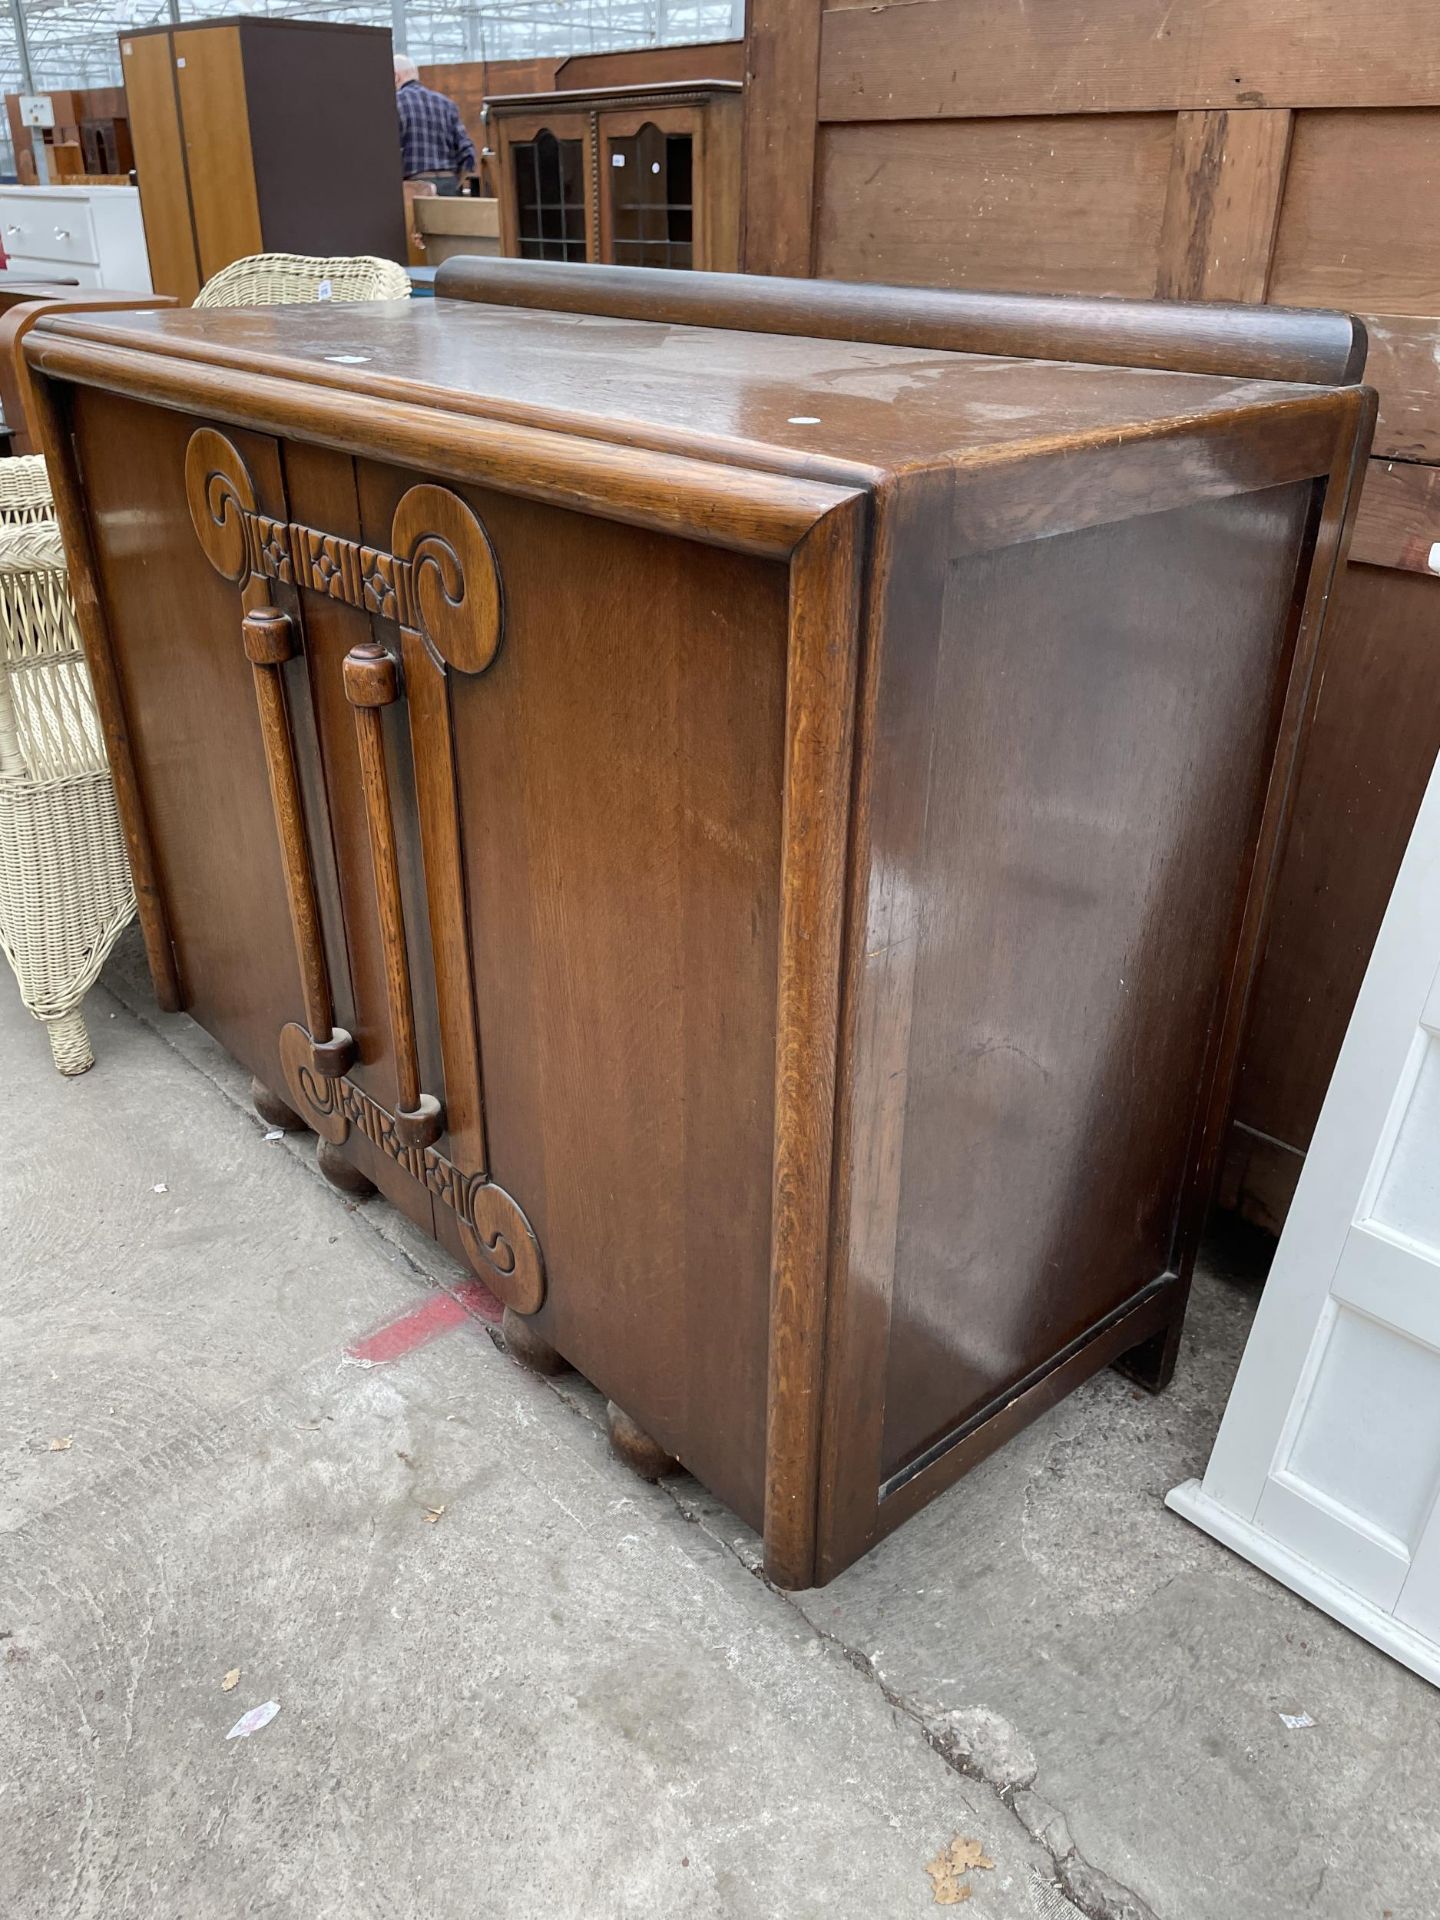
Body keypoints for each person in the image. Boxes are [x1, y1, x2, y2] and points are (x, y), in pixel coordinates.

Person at [394, 54, 476, 196]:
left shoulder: (395, 103)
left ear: (396, 77)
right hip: (449, 182)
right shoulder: (447, 104)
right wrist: (454, 184)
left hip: (414, 188)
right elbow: (468, 154)